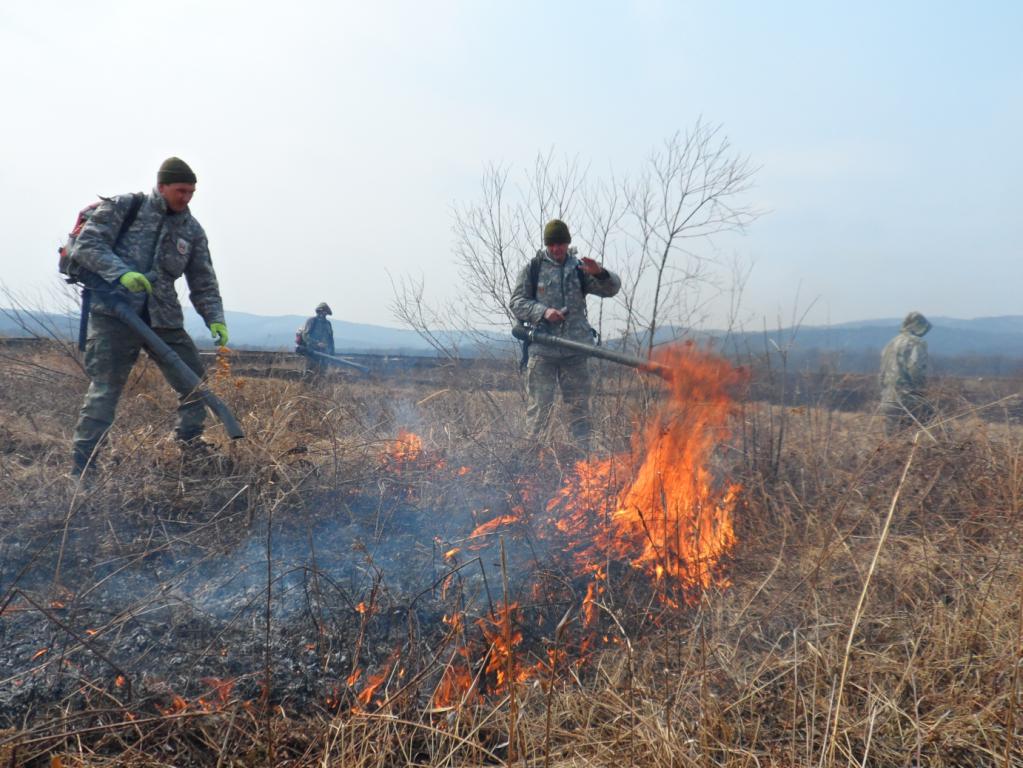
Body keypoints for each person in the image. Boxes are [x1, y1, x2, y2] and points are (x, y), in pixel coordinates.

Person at [69, 157, 228, 476]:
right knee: (106, 389)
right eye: (181, 190)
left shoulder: (192, 230)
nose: (186, 197)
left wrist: (215, 317)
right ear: (162, 186)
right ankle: (84, 467)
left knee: (194, 383)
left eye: (192, 192)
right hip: (115, 313)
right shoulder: (125, 208)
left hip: (163, 317)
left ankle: (190, 448)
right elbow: (86, 247)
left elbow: (202, 279)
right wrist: (121, 273)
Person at [509, 218, 621, 449]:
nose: (557, 249)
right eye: (552, 244)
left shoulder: (579, 269)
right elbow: (517, 302)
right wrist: (543, 311)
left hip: (575, 351)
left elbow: (612, 289)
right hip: (543, 351)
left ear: (567, 243)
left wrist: (600, 272)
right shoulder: (534, 269)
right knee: (539, 410)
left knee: (579, 410)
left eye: (561, 244)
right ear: (547, 245)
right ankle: (527, 464)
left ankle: (583, 465)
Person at [879, 311, 933, 434]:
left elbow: (881, 375)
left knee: (892, 443)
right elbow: (916, 369)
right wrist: (921, 394)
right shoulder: (916, 343)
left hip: (888, 400)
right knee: (930, 432)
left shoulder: (890, 344)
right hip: (908, 400)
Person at [299, 302, 336, 377]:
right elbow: (305, 335)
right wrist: (316, 343)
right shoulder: (312, 321)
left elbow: (331, 339)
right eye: (323, 311)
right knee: (309, 373)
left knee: (322, 374)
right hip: (312, 352)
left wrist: (332, 352)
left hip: (325, 354)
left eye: (326, 312)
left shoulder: (328, 324)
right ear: (319, 311)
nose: (324, 314)